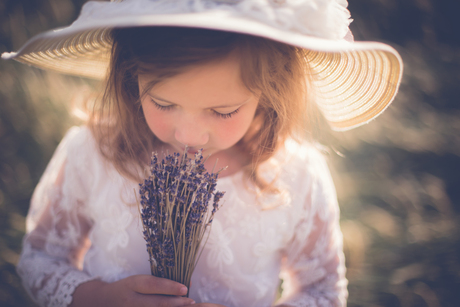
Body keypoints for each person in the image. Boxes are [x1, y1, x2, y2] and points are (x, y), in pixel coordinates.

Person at [2, 0, 403, 306]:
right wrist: (101, 297)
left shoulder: (296, 175)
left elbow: (323, 289)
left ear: (271, 91)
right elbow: (40, 259)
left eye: (223, 111)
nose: (188, 132)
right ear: (130, 76)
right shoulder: (94, 153)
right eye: (162, 103)